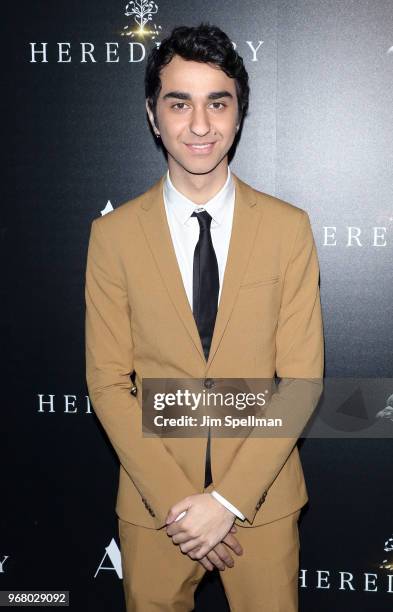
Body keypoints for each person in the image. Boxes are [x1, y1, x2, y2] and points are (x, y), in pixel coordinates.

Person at [85, 22, 324, 612]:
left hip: (262, 503)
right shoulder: (111, 237)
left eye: (218, 103)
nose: (199, 125)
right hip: (154, 508)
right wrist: (182, 506)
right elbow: (108, 383)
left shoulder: (287, 228)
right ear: (152, 113)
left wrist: (227, 503)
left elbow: (299, 383)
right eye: (179, 103)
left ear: (238, 114)